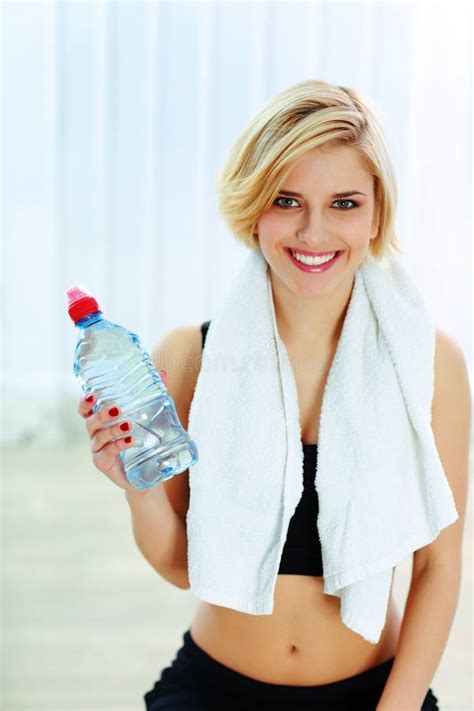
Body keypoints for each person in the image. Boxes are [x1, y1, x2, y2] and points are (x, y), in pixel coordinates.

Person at [77, 80, 462, 710]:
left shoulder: (429, 364)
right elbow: (182, 566)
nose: (314, 233)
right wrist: (137, 489)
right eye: (287, 200)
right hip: (212, 688)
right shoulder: (188, 355)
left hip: (375, 694)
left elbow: (438, 569)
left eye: (344, 203)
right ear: (253, 205)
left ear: (376, 214)